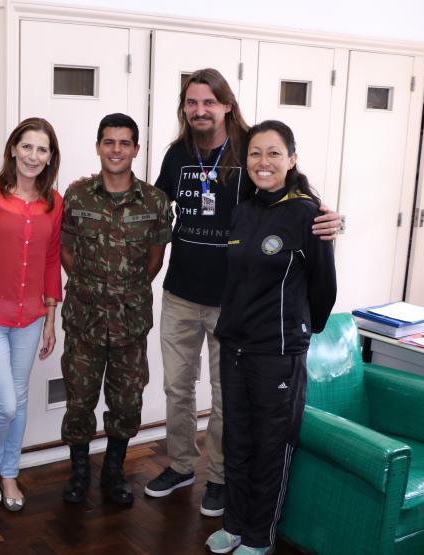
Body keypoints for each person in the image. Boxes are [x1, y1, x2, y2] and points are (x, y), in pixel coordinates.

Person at [145, 69, 342, 517]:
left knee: (224, 398)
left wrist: (330, 217)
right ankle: (181, 465)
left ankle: (218, 477)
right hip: (180, 293)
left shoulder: (249, 149)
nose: (200, 110)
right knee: (177, 389)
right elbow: (153, 203)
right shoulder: (177, 153)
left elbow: (287, 191)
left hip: (232, 302)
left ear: (226, 105)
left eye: (208, 102)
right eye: (192, 103)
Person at [205, 120, 337, 555]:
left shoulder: (309, 215)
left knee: (271, 445)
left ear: (292, 159)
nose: (264, 162)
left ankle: (260, 536)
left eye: (274, 153)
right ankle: (234, 524)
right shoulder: (243, 209)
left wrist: (299, 331)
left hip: (278, 352)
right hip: (235, 346)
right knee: (237, 439)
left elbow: (324, 287)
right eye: (256, 153)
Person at [60, 113, 172, 506]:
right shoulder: (77, 196)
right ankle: (78, 472)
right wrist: (93, 288)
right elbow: (66, 251)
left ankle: (113, 470)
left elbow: (155, 260)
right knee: (79, 402)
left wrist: (124, 291)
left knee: (126, 404)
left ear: (136, 149)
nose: (116, 150)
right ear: (98, 146)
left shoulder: (155, 202)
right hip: (84, 321)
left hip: (130, 322)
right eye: (109, 142)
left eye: (125, 143)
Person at [0, 117, 63, 512]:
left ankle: (9, 473)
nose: (33, 156)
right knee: (5, 403)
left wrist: (51, 318)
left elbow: (51, 260)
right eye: (27, 146)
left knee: (19, 400)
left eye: (42, 149)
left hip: (31, 318)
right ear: (13, 149)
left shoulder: (53, 203)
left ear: (50, 157)